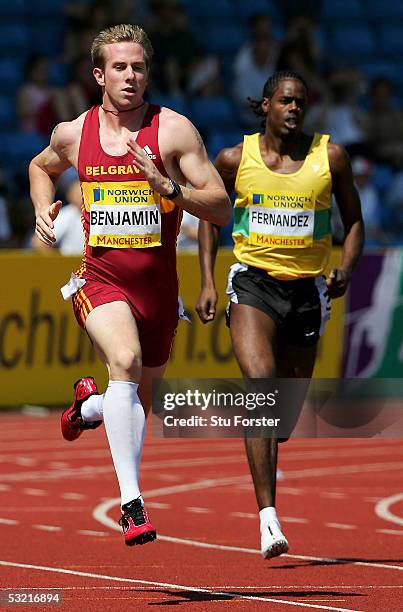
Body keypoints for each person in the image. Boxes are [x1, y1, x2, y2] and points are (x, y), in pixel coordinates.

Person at [29, 23, 230, 547]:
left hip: (159, 289)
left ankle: (86, 408)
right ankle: (132, 503)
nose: (131, 76)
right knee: (123, 360)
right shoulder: (75, 133)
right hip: (101, 278)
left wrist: (169, 188)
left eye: (139, 67)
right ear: (99, 75)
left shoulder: (173, 131)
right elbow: (39, 165)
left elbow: (221, 206)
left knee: (135, 397)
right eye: (119, 67)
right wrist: (39, 209)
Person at [196, 71, 364, 559]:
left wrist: (346, 268)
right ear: (266, 104)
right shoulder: (234, 158)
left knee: (283, 419)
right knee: (261, 392)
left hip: (308, 292)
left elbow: (353, 222)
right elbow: (210, 216)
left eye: (301, 103)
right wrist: (208, 280)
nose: (294, 109)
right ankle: (268, 518)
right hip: (252, 284)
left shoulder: (330, 157)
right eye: (286, 101)